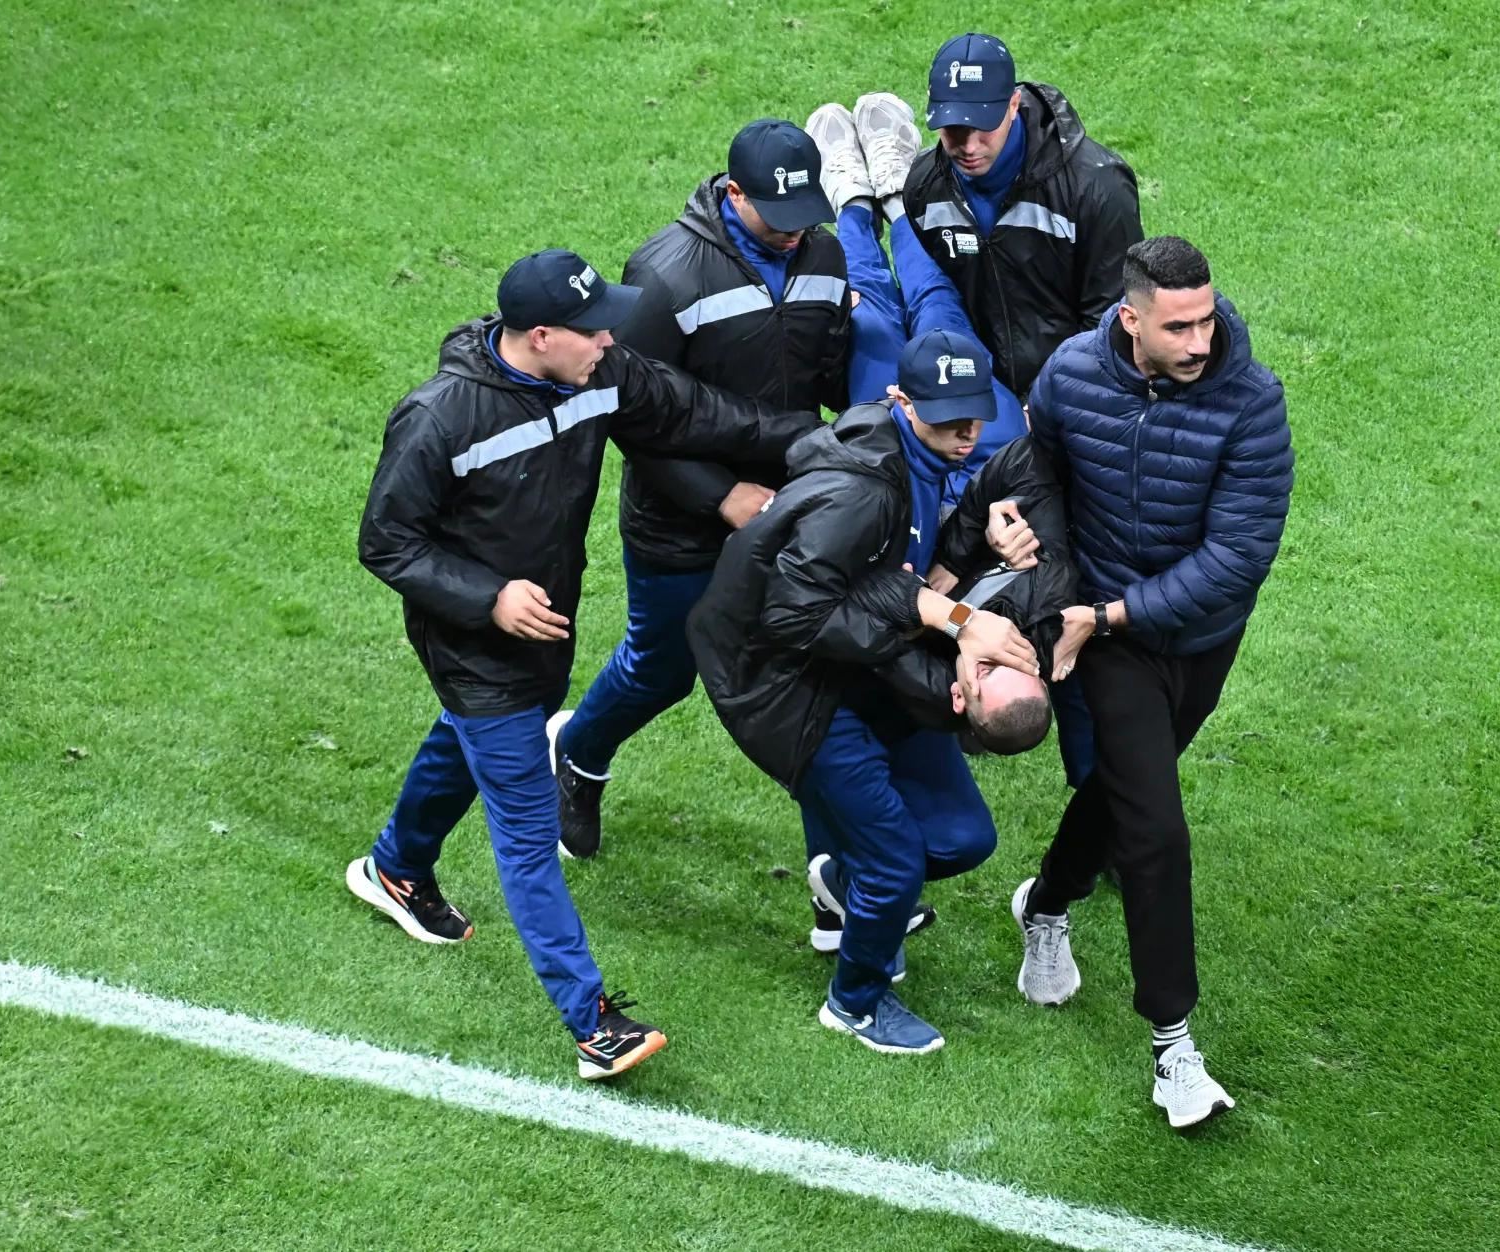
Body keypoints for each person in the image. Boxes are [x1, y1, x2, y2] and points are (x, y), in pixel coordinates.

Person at [348, 249, 819, 1081]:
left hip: (544, 630)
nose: (610, 338)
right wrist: (489, 598)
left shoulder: (599, 375)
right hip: (473, 642)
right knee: (527, 834)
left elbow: (702, 415)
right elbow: (387, 541)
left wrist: (834, 437)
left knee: (471, 740)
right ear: (540, 336)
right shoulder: (440, 417)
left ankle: (396, 866)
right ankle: (592, 1020)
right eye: (593, 328)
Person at [688, 329, 1046, 1055]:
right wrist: (936, 614)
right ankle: (855, 1003)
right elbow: (793, 615)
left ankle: (841, 880)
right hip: (787, 685)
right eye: (948, 418)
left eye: (975, 414)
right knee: (896, 862)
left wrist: (976, 544)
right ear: (900, 401)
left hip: (854, 662)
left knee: (964, 837)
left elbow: (895, 569)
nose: (966, 432)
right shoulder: (862, 490)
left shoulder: (924, 457)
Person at [1011, 236, 1294, 1129]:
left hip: (1196, 636)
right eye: (1180, 327)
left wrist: (1113, 614)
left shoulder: (1253, 401)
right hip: (1108, 637)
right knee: (1157, 830)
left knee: (1124, 788)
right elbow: (1038, 474)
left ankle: (1045, 902)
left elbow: (1238, 556)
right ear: (1131, 319)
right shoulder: (1070, 374)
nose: (1201, 341)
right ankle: (1174, 1047)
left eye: (1207, 319)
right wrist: (1048, 571)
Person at [548, 120, 852, 861]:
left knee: (812, 674)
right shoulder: (666, 274)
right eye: (777, 216)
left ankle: (841, 872)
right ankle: (579, 754)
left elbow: (827, 371)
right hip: (679, 522)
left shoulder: (824, 253)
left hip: (788, 505)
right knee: (663, 670)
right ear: (734, 193)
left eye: (805, 214)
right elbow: (627, 413)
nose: (794, 233)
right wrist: (720, 496)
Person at [805, 95, 1027, 508]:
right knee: (936, 302)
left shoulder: (872, 486)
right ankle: (900, 199)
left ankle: (852, 204)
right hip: (991, 443)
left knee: (867, 318)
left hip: (898, 442)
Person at [900, 32, 1143, 399]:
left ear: (1013, 104)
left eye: (983, 125)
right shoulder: (923, 188)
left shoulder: (1097, 187)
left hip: (1074, 392)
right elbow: (942, 299)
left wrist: (1047, 402)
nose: (968, 146)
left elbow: (1110, 321)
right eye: (954, 129)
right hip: (978, 390)